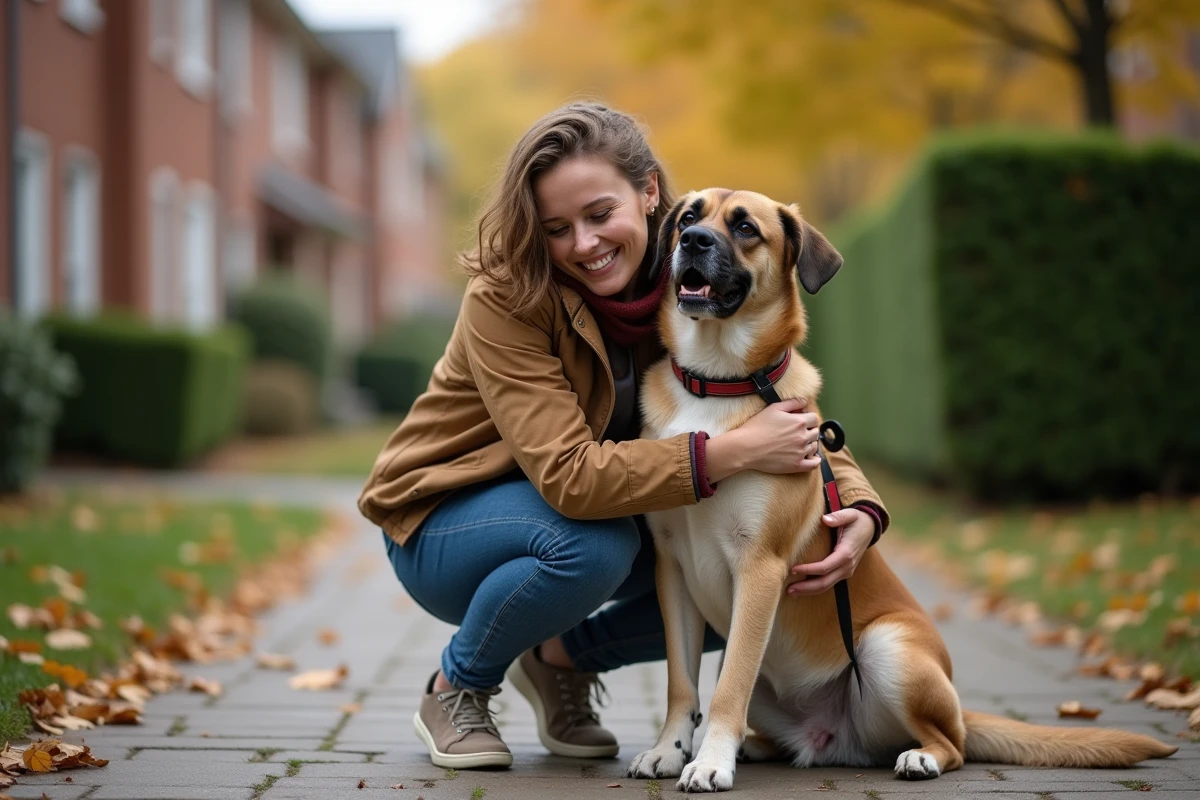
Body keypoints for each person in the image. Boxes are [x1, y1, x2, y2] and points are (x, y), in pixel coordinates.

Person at [358, 102, 890, 769]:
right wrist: (725, 453)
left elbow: (781, 399)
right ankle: (457, 684)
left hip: (579, 504)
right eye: (556, 227)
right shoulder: (505, 298)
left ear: (647, 194)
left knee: (753, 575)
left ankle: (559, 661)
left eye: (599, 214)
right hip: (446, 519)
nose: (584, 244)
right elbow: (571, 479)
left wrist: (864, 507)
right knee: (596, 545)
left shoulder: (691, 267)